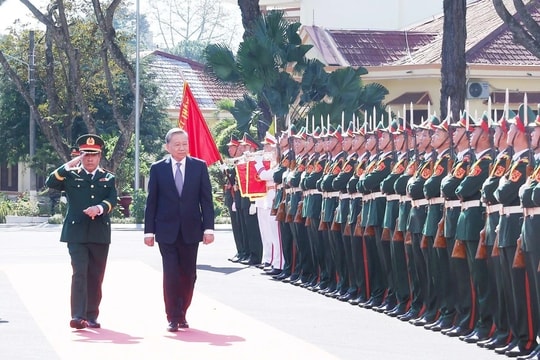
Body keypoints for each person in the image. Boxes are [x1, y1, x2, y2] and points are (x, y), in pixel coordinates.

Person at [144, 128, 215, 332]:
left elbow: (206, 201)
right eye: (177, 144)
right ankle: (173, 316)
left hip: (192, 230)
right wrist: (149, 232)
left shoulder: (199, 167)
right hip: (165, 231)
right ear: (167, 147)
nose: (181, 148)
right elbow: (152, 202)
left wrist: (209, 228)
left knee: (189, 274)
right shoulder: (157, 168)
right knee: (171, 273)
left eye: (185, 144)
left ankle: (183, 311)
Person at [45, 134, 117, 330]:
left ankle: (92, 316)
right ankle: (77, 316)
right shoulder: (71, 175)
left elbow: (112, 200)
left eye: (94, 155)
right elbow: (50, 182)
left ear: (100, 156)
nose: (90, 159)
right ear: (80, 156)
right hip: (76, 233)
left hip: (99, 233)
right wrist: (71, 163)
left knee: (95, 275)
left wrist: (100, 208)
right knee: (79, 273)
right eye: (86, 155)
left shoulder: (108, 177)